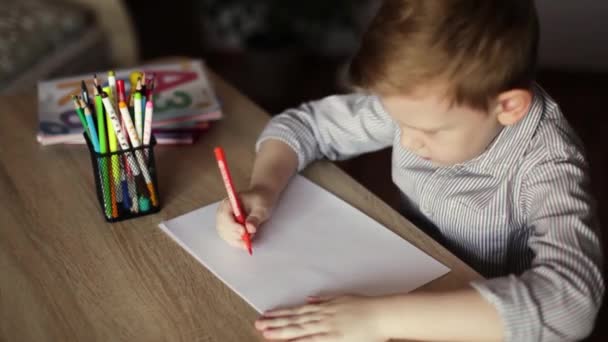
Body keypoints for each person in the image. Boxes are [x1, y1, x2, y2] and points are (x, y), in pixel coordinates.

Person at [215, 1, 604, 340]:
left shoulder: (548, 163)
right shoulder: (422, 104)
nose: (409, 141)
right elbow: (303, 126)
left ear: (508, 108)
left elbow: (572, 304)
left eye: (429, 131)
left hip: (474, 321)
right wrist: (263, 188)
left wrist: (377, 317)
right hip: (405, 275)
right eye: (401, 123)